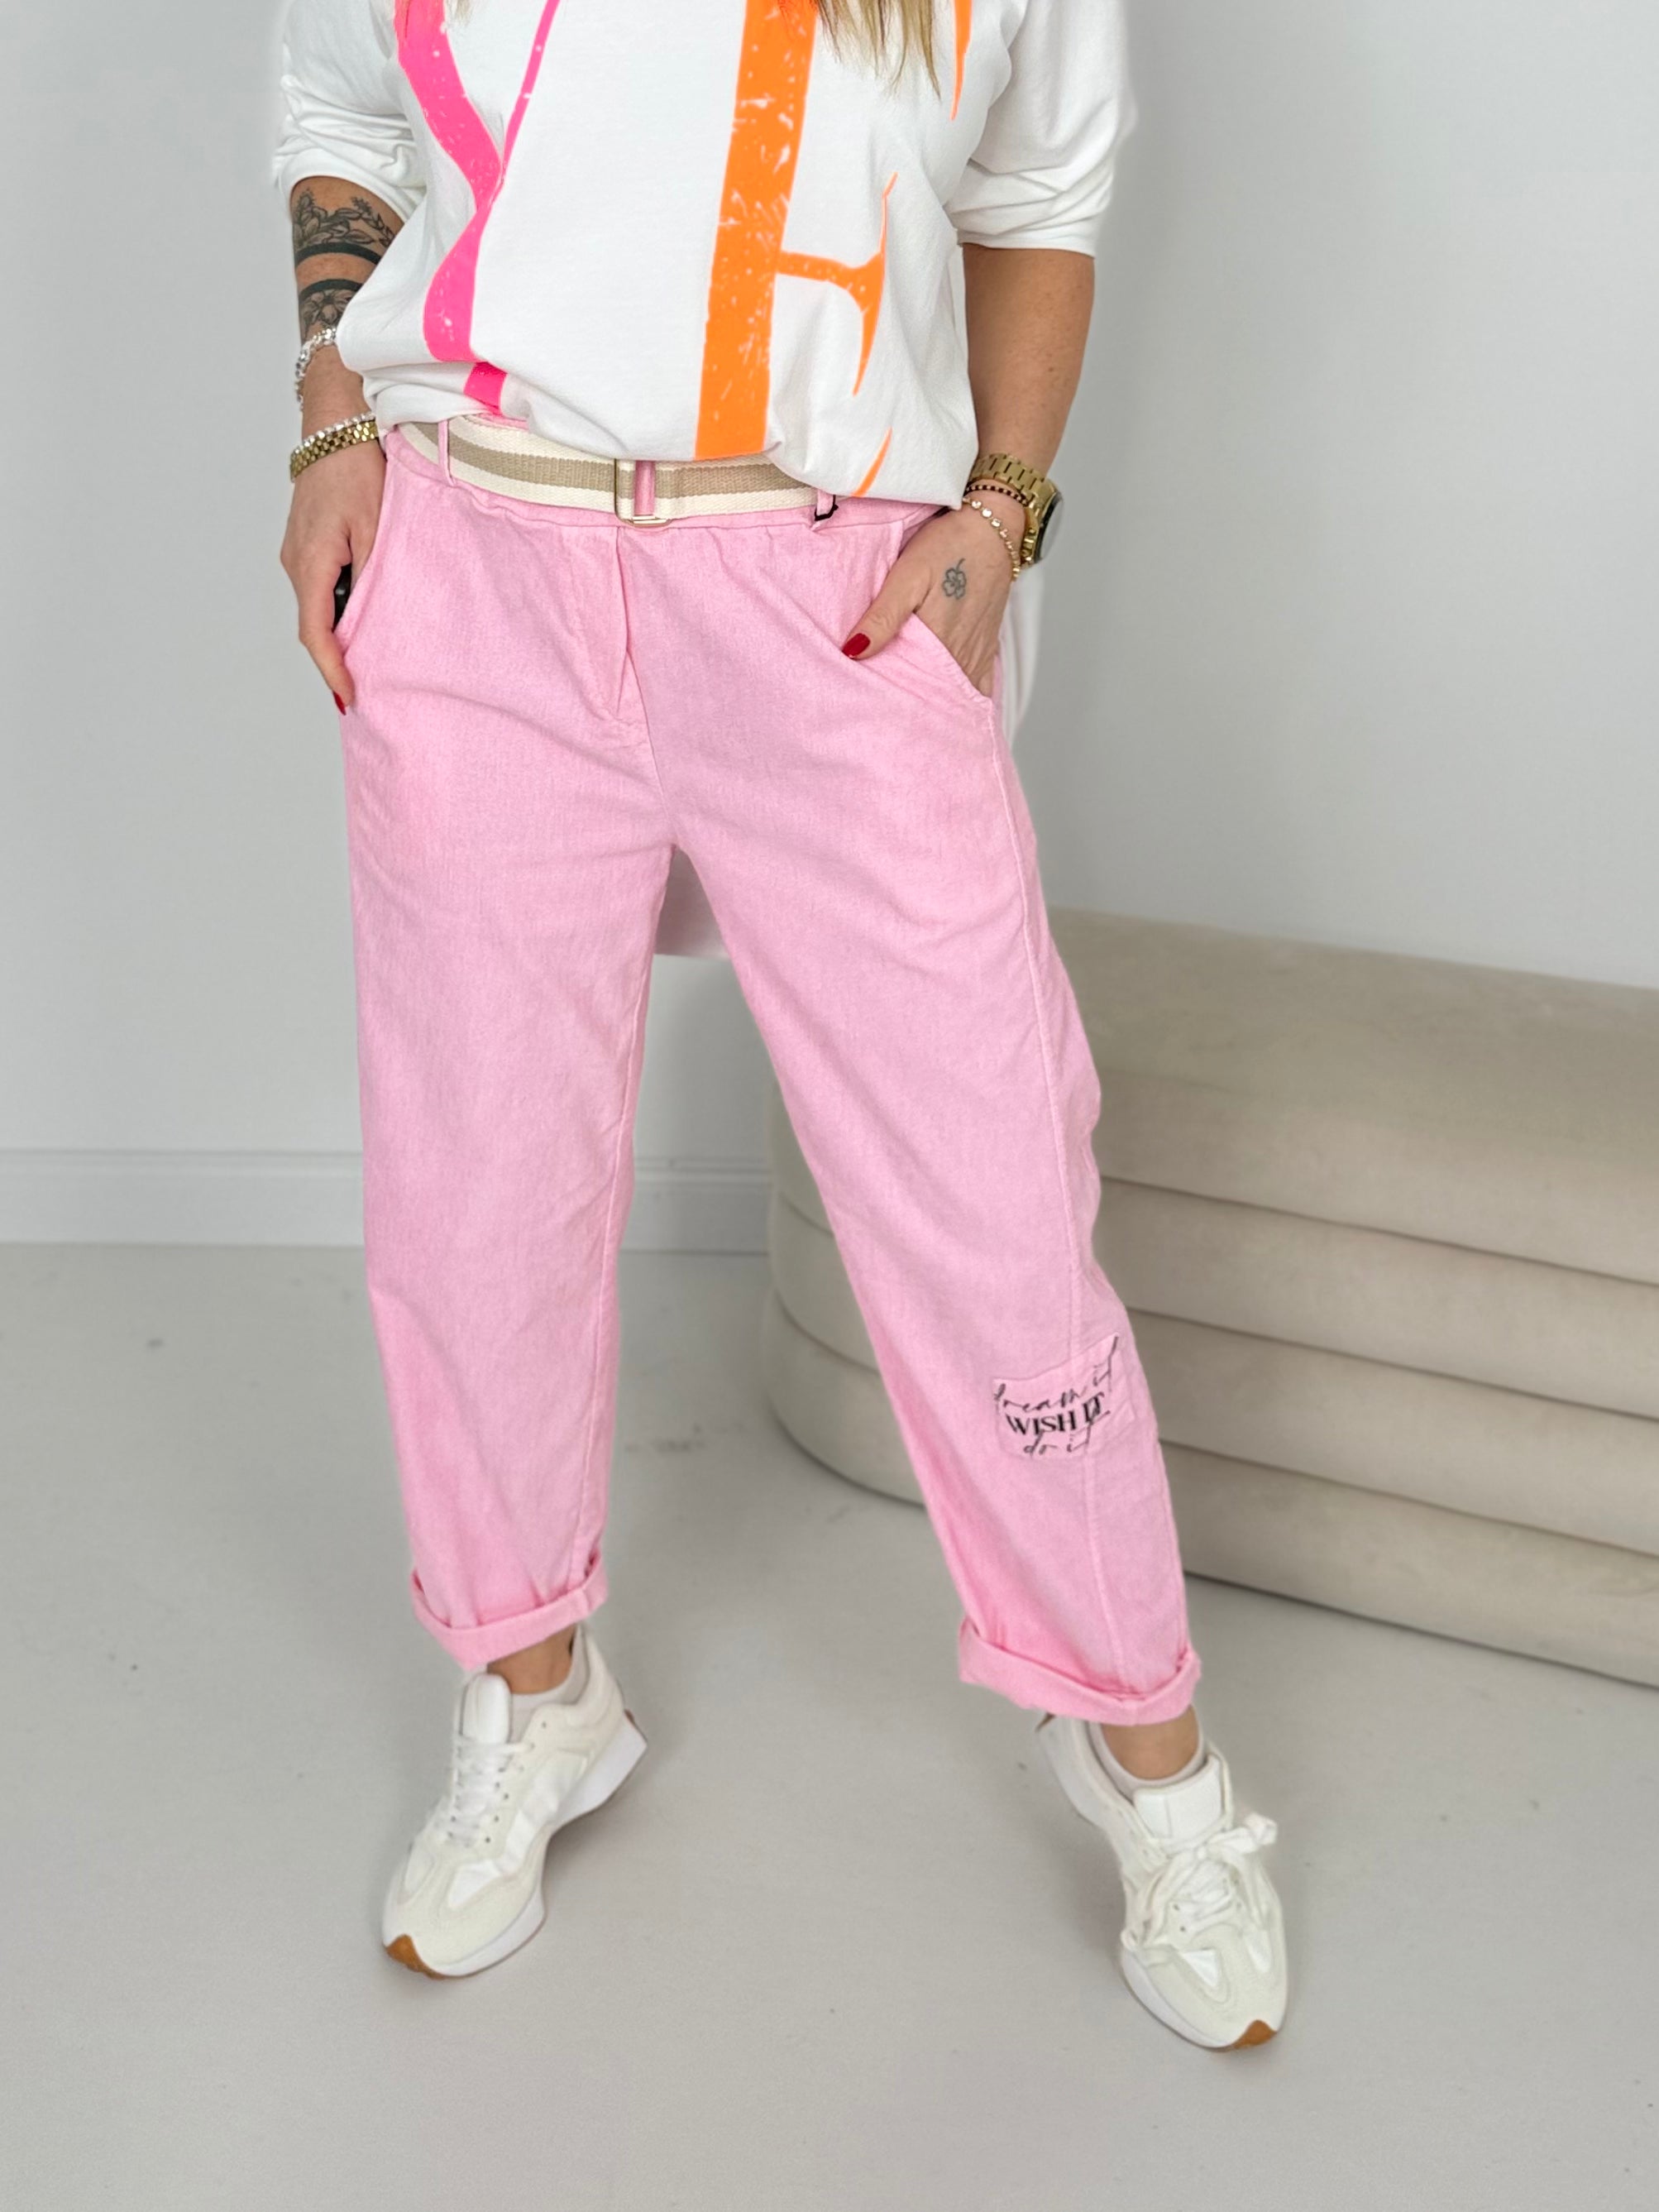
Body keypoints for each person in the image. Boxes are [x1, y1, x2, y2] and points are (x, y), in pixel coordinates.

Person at [274, 0, 1287, 2047]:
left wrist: (999, 513)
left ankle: (1149, 1756)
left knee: (994, 1209)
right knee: (477, 1196)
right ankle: (532, 1688)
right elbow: (341, 114)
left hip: (821, 587)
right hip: (477, 565)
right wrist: (330, 421)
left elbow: (1038, 199)